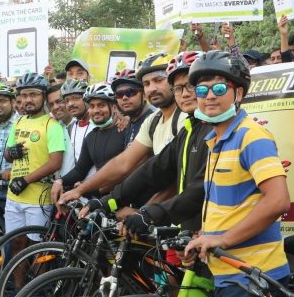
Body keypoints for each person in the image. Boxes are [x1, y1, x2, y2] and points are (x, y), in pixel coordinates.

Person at [179, 51, 290, 297]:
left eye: (219, 88)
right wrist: (204, 239)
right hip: (229, 274)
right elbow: (228, 208)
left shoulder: (251, 136)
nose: (208, 96)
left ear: (238, 93)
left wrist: (223, 239)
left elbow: (278, 200)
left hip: (253, 278)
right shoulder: (215, 140)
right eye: (201, 89)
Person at [89, 51, 210, 234]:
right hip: (189, 229)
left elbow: (199, 188)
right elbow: (154, 169)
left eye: (191, 86)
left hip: (217, 237)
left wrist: (149, 213)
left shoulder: (224, 131)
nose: (185, 94)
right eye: (178, 88)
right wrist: (109, 201)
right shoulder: (190, 128)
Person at [55, 52, 185, 204]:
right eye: (146, 84)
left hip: (173, 207)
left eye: (158, 80)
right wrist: (84, 191)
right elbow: (123, 163)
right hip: (147, 206)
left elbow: (170, 177)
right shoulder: (152, 121)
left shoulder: (184, 118)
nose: (152, 88)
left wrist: (142, 211)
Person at [3, 73, 65, 281]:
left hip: (38, 197)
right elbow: (7, 155)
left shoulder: (52, 125)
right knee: (16, 244)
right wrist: (12, 152)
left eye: (33, 95)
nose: (28, 99)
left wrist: (26, 180)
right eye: (23, 95)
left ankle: (39, 291)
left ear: (43, 96)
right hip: (14, 196)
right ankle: (19, 290)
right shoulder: (19, 121)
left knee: (38, 248)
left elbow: (55, 162)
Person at [59, 84, 126, 196]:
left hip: (127, 197)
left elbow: (127, 170)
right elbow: (80, 170)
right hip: (100, 199)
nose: (96, 110)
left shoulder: (125, 129)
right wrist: (59, 181)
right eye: (91, 106)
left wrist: (87, 189)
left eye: (101, 105)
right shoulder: (90, 137)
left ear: (114, 107)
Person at [111, 68, 154, 148]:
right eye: (119, 94)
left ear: (144, 95)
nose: (124, 98)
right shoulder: (130, 122)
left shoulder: (154, 121)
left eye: (130, 92)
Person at [59, 78, 91, 161]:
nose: (70, 104)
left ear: (87, 98)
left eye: (76, 98)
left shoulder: (100, 125)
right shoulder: (72, 127)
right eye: (66, 101)